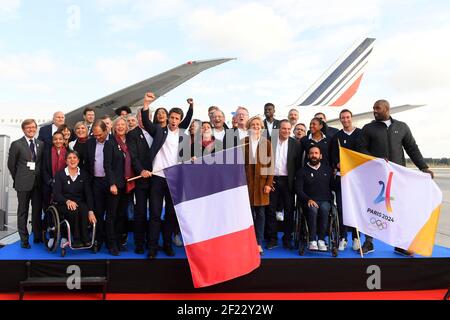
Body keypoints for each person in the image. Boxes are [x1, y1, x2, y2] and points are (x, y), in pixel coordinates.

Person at [356, 99, 434, 255]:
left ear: (386, 109)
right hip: (376, 177)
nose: (374, 111)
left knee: (399, 209)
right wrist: (376, 161)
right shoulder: (368, 128)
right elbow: (361, 148)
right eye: (373, 108)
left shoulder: (401, 127)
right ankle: (369, 243)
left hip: (397, 177)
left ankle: (400, 244)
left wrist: (423, 167)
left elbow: (412, 148)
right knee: (373, 209)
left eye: (377, 108)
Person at [141, 93, 193, 259]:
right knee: (155, 214)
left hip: (175, 178)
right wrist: (146, 104)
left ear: (180, 120)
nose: (173, 120)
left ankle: (167, 245)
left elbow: (186, 154)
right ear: (168, 118)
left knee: (171, 214)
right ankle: (152, 247)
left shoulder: (183, 135)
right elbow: (147, 122)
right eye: (172, 117)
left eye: (177, 118)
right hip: (157, 177)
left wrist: (191, 107)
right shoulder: (158, 130)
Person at [8, 119, 44, 248]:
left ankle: (37, 236)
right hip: (23, 184)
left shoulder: (41, 144)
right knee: (22, 212)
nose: (31, 129)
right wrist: (18, 178)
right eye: (28, 127)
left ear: (36, 129)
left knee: (37, 211)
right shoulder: (16, 144)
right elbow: (11, 165)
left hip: (38, 183)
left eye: (33, 127)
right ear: (23, 129)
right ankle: (24, 239)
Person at [330, 109, 362, 251]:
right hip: (341, 178)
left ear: (351, 118)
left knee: (356, 208)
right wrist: (336, 163)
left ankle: (356, 237)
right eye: (343, 118)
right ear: (340, 120)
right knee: (342, 208)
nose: (345, 120)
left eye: (348, 117)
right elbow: (332, 155)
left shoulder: (360, 134)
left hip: (357, 179)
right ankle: (343, 237)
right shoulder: (336, 136)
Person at [266, 120, 301, 250]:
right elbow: (264, 162)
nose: (286, 131)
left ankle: (287, 238)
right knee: (271, 210)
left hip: (288, 182)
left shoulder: (295, 144)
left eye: (288, 129)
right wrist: (268, 180)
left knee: (289, 210)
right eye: (283, 129)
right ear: (278, 129)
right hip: (273, 180)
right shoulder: (269, 141)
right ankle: (272, 239)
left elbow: (298, 166)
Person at [242, 116, 274, 255]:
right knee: (247, 216)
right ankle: (246, 243)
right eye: (253, 125)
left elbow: (270, 165)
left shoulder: (266, 143)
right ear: (249, 127)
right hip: (246, 185)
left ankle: (258, 243)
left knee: (260, 215)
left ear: (262, 128)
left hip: (261, 186)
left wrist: (268, 183)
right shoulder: (243, 143)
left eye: (258, 125)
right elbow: (237, 165)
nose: (256, 127)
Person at [103, 117, 135, 255]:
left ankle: (118, 240)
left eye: (123, 124)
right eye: (118, 125)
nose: (121, 127)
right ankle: (111, 244)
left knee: (122, 215)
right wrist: (112, 183)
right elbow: (107, 166)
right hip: (115, 185)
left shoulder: (130, 142)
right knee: (111, 215)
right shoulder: (110, 143)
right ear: (114, 128)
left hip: (127, 184)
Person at [53, 150, 97, 248]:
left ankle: (85, 238)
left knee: (84, 209)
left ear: (78, 160)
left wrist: (91, 211)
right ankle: (76, 239)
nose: (72, 160)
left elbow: (88, 194)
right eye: (69, 158)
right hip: (64, 202)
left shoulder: (84, 174)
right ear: (66, 161)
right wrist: (67, 201)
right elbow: (56, 194)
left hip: (79, 202)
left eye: (74, 158)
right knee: (74, 210)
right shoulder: (60, 174)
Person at [296, 146, 333, 251]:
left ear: (320, 156)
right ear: (308, 156)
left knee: (325, 209)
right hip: (308, 200)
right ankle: (312, 240)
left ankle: (321, 240)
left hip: (325, 200)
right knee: (313, 209)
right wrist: (308, 199)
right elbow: (299, 190)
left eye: (316, 153)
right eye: (312, 153)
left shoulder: (328, 170)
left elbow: (333, 186)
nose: (314, 155)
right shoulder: (302, 171)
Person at [127, 107, 154, 254]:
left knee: (155, 213)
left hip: (157, 178)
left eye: (147, 116)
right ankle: (139, 242)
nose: (144, 119)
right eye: (142, 117)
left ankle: (152, 242)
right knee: (141, 212)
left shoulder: (157, 131)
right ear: (138, 118)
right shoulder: (132, 134)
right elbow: (133, 156)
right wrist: (141, 170)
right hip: (141, 178)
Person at [85, 120, 110, 252]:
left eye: (100, 135)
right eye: (95, 135)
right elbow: (86, 163)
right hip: (95, 182)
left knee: (111, 213)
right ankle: (98, 240)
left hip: (110, 182)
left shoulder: (112, 142)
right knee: (98, 213)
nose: (97, 137)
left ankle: (110, 240)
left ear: (106, 131)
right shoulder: (90, 143)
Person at [41, 131, 67, 209]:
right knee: (47, 208)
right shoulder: (46, 152)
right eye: (55, 139)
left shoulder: (68, 152)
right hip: (49, 184)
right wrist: (50, 181)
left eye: (60, 139)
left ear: (64, 140)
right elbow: (43, 169)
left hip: (64, 185)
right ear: (52, 141)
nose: (58, 141)